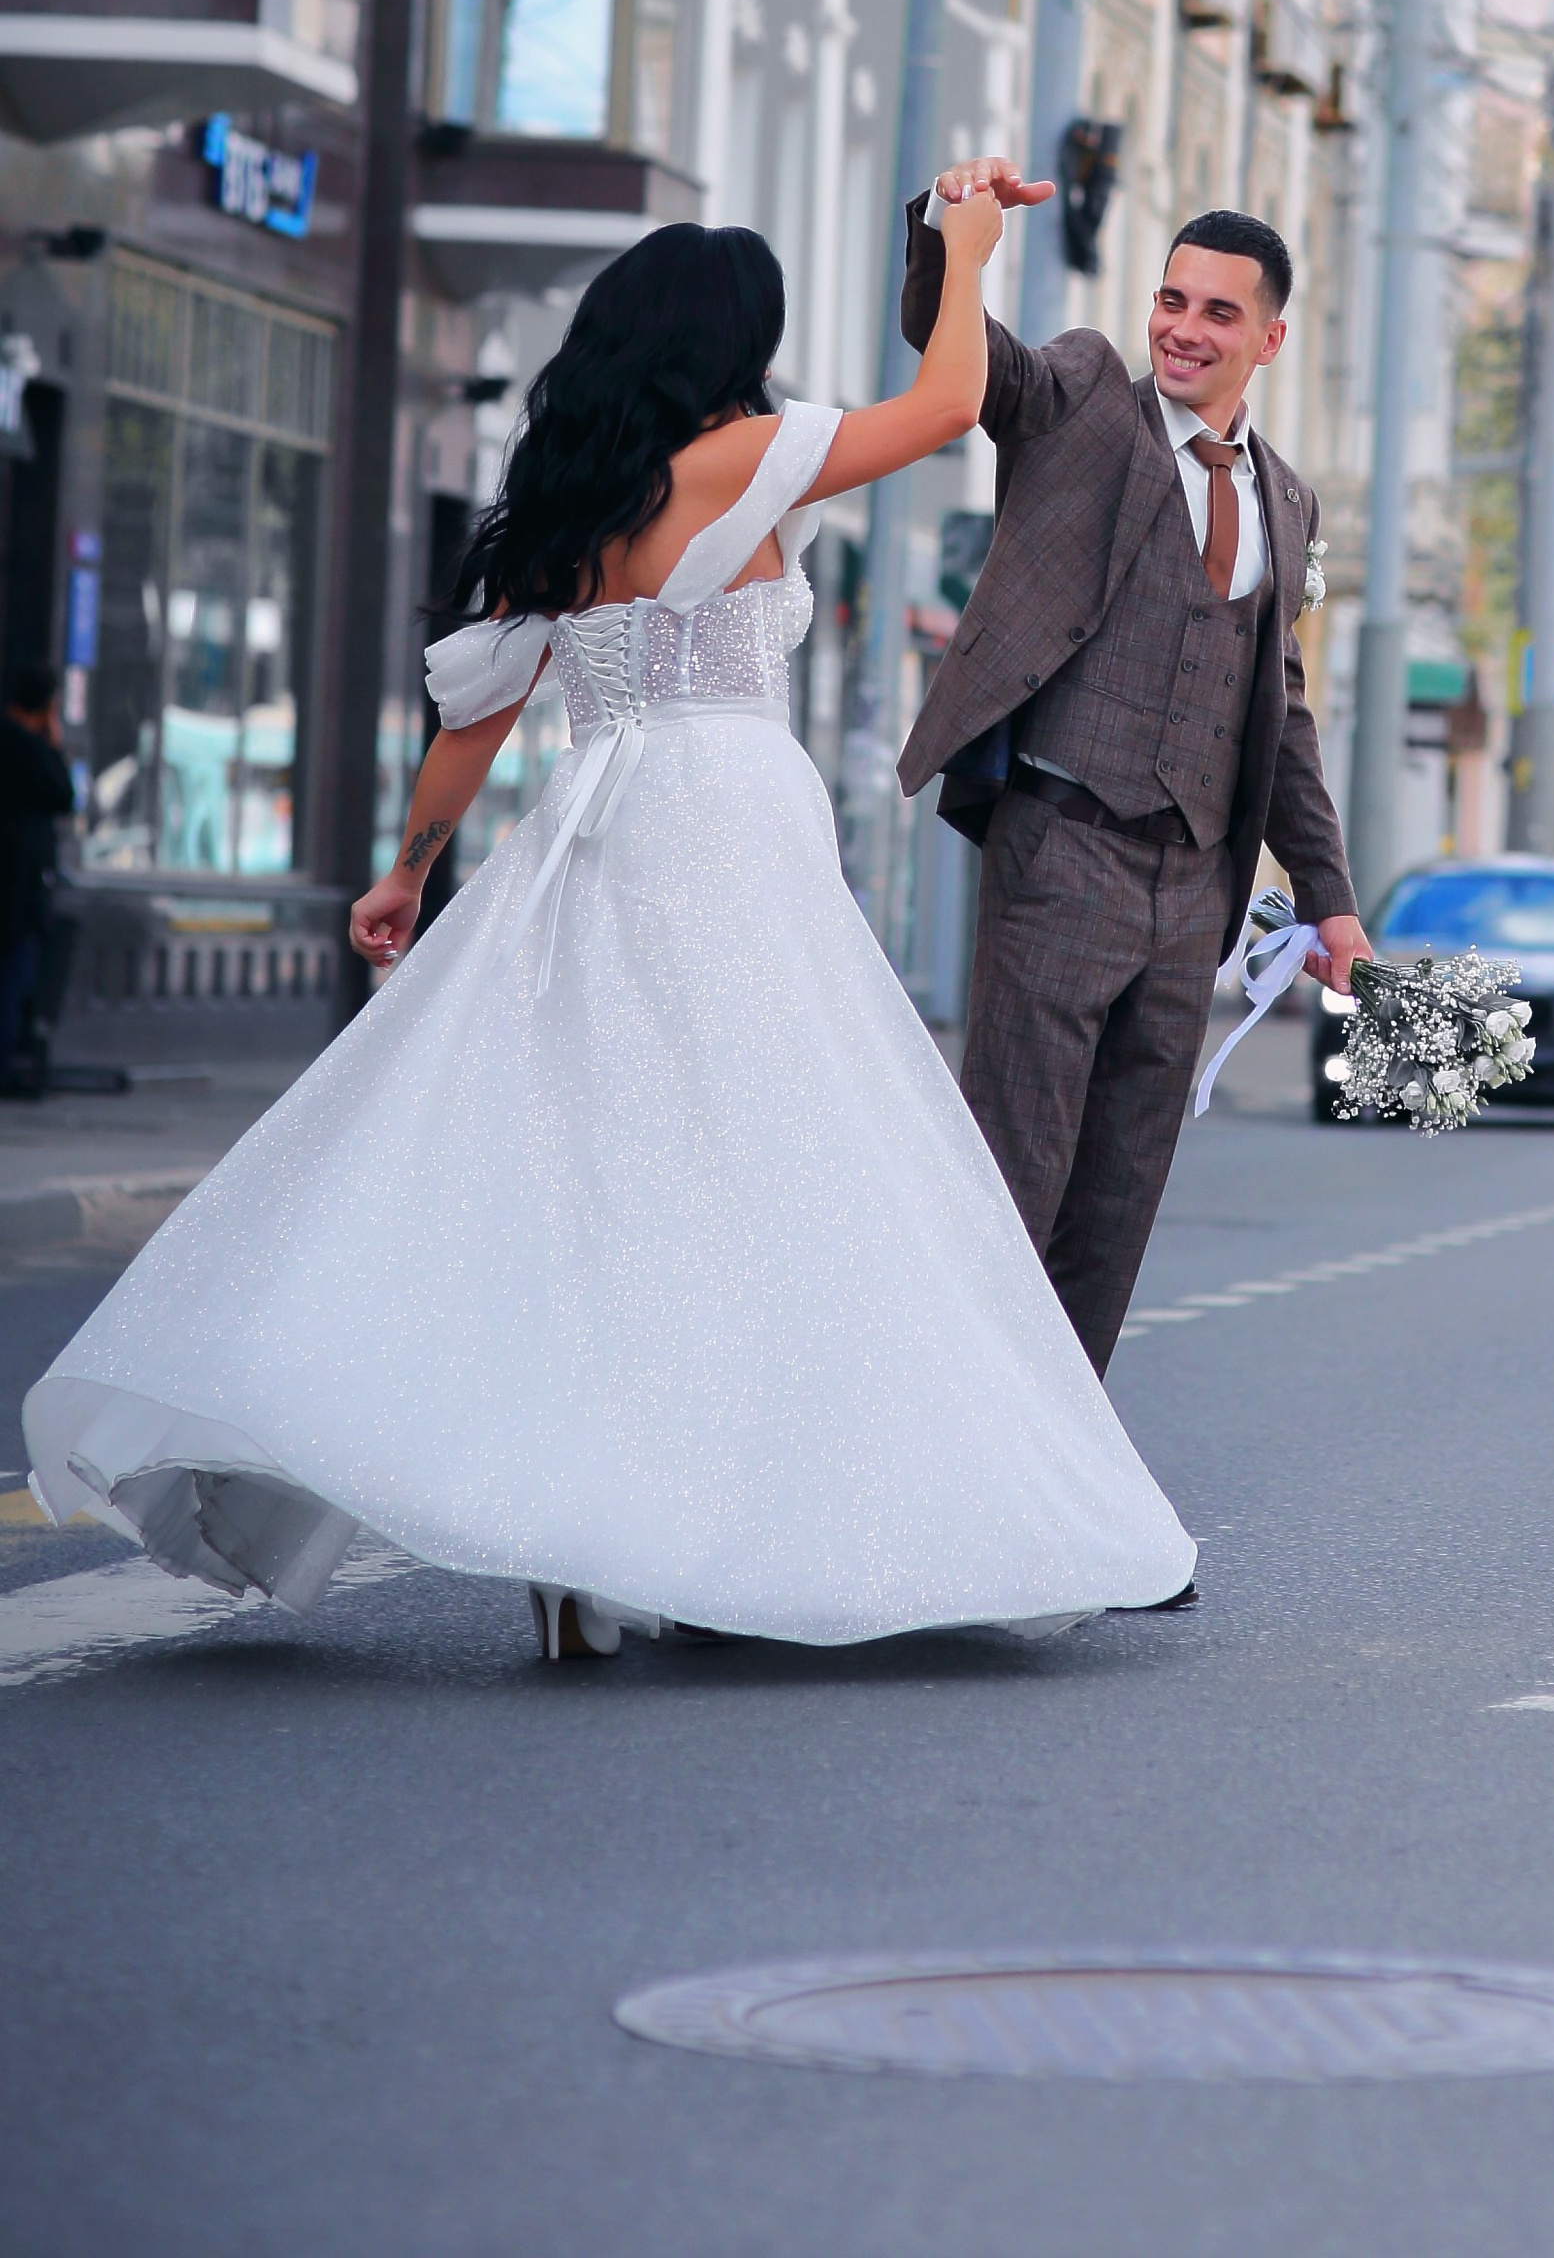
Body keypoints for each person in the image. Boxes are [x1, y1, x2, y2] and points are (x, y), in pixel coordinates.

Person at [22, 205, 1195, 1662]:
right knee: (767, 1174)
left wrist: (407, 872)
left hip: (594, 831)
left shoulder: (572, 502)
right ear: (730, 346)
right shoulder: (741, 459)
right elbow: (952, 403)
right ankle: (716, 1527)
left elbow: (480, 713)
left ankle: (579, 1562)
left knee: (597, 1180)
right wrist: (963, 251)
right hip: (732, 826)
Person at [898, 170, 1360, 1390]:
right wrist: (949, 234)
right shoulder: (1089, 395)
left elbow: (1283, 717)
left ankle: (1067, 1494)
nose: (1182, 328)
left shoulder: (1285, 498)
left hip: (1190, 890)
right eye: (1171, 298)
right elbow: (971, 362)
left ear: (1267, 338)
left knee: (1114, 1206)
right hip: (1062, 847)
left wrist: (1329, 896)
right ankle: (951, 1453)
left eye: (1217, 313)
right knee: (1014, 1174)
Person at [0, 667, 74, 1096]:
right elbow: (62, 794)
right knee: (13, 980)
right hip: (17, 893)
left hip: (17, 890)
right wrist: (54, 740)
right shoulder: (27, 748)